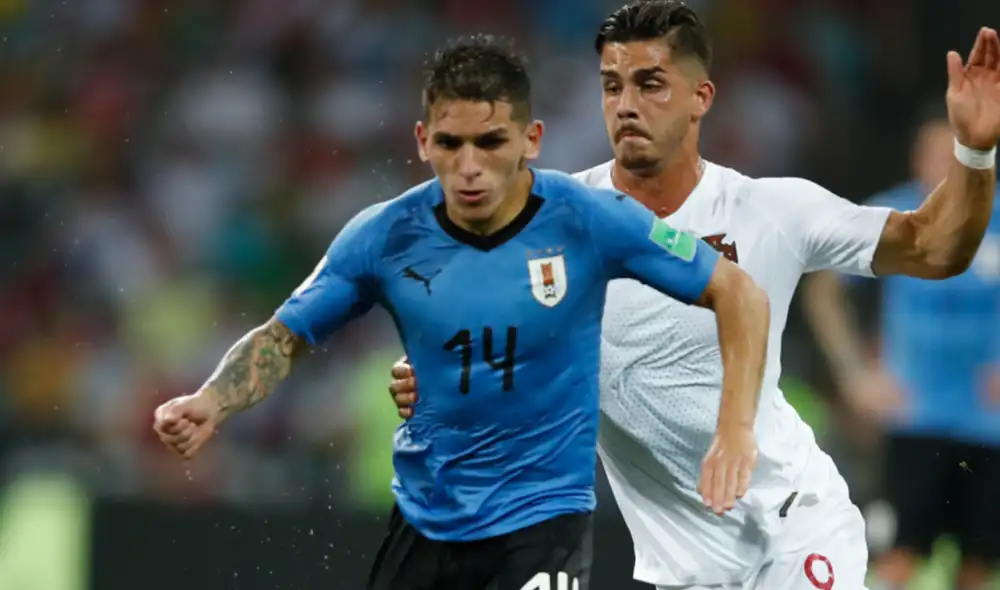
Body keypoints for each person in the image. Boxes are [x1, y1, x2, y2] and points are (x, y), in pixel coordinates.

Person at [387, 3, 1000, 589]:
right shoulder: (548, 224)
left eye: (650, 84)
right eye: (612, 85)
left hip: (795, 532)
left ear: (701, 98)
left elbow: (935, 248)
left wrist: (973, 152)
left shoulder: (770, 211)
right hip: (685, 570)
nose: (626, 105)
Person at [151, 34, 770, 590]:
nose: (469, 166)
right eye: (451, 143)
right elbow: (283, 339)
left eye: (490, 141)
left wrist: (735, 429)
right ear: (423, 142)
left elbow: (738, 293)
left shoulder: (588, 218)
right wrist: (210, 403)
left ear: (531, 140)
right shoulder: (384, 237)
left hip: (544, 520)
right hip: (427, 521)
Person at [803, 105, 1000, 590]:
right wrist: (854, 375)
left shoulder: (995, 219)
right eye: (930, 154)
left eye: (951, 156)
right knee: (897, 560)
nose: (939, 167)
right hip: (914, 418)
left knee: (979, 566)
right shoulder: (896, 217)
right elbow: (824, 286)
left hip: (989, 422)